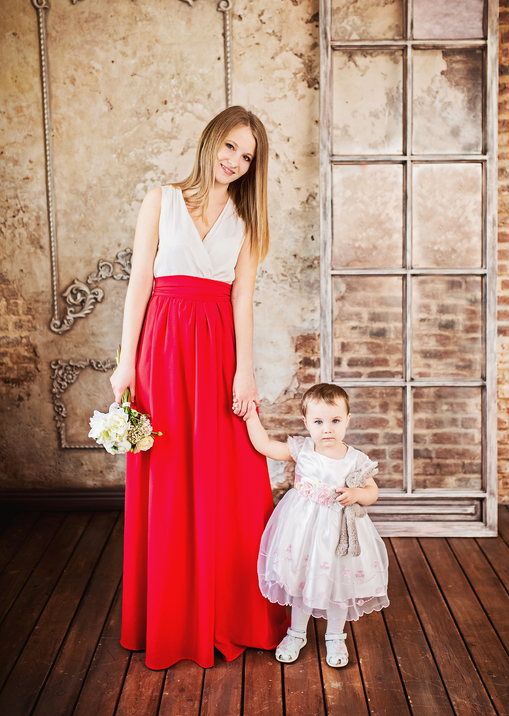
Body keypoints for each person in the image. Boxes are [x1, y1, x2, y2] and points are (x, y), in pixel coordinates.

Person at [110, 106, 289, 670]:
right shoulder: (160, 201)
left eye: (247, 156)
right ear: (211, 140)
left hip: (217, 351)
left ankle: (229, 613)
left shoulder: (247, 220)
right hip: (161, 349)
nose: (234, 161)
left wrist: (245, 371)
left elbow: (242, 300)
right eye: (230, 146)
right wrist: (125, 364)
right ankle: (170, 618)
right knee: (166, 474)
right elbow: (140, 284)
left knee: (229, 476)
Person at [237, 382, 389, 668]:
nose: (327, 429)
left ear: (347, 420)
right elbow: (265, 446)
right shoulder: (303, 449)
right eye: (318, 422)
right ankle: (296, 633)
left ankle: (335, 636)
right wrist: (250, 415)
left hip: (339, 533)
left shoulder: (355, 459)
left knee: (338, 581)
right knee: (303, 578)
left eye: (335, 421)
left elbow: (373, 491)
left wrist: (357, 494)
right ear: (306, 422)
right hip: (303, 528)